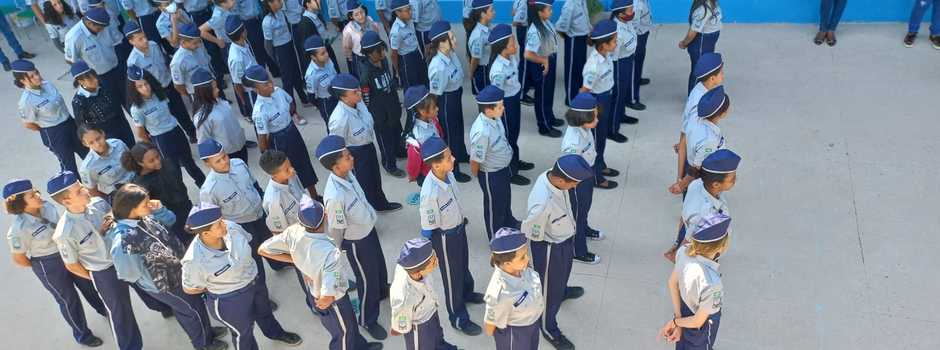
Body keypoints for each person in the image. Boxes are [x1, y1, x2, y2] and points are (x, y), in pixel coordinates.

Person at [48, 171, 172, 350]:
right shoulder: (64, 232)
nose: (85, 189)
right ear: (66, 201)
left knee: (148, 286)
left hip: (124, 256)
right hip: (103, 271)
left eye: (81, 185)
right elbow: (72, 265)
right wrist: (97, 278)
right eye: (78, 191)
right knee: (120, 313)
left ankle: (164, 307)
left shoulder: (98, 204)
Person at [108, 184, 229, 350]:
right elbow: (129, 273)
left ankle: (206, 331)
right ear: (131, 209)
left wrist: (159, 210)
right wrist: (154, 279)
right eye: (145, 204)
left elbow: (171, 220)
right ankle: (204, 344)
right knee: (190, 310)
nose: (149, 205)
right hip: (165, 284)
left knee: (194, 306)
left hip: (179, 271)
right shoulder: (123, 240)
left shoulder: (144, 217)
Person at [258, 198, 384, 350]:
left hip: (315, 291)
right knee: (344, 334)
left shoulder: (293, 232)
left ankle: (359, 346)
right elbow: (328, 293)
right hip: (334, 300)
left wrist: (296, 261)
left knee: (348, 327)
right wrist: (326, 298)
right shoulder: (330, 252)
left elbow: (263, 249)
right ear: (325, 216)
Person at [181, 203, 304, 349]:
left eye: (222, 219)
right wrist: (221, 287)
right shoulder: (194, 260)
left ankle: (275, 333)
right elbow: (190, 289)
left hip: (254, 282)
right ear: (206, 233)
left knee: (265, 313)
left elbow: (248, 241)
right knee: (243, 333)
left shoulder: (232, 227)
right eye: (219, 224)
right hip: (230, 300)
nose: (224, 224)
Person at [3, 179, 106, 347]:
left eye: (36, 191)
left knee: (89, 284)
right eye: (32, 195)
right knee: (68, 300)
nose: (38, 195)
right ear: (21, 203)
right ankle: (83, 335)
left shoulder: (48, 207)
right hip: (48, 265)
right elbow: (19, 259)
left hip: (67, 253)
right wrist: (42, 267)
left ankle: (104, 309)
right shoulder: (18, 230)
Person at [315, 135, 391, 340]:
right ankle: (367, 318)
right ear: (335, 165)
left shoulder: (348, 174)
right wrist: (337, 251)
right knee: (366, 279)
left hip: (367, 229)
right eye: (347, 156)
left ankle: (383, 290)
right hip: (356, 241)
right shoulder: (334, 196)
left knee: (379, 265)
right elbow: (337, 230)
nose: (352, 158)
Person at [521, 154, 593, 350]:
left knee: (562, 277)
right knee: (548, 289)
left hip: (564, 239)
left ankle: (560, 291)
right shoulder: (541, 204)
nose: (575, 187)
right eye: (574, 184)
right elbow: (533, 235)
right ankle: (548, 327)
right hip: (550, 249)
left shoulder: (552, 177)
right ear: (562, 180)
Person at [417, 136, 485, 336]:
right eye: (448, 158)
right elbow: (428, 228)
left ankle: (467, 292)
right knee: (451, 276)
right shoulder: (430, 193)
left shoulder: (448, 174)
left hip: (459, 229)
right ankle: (458, 317)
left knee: (463, 265)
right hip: (445, 238)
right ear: (436, 165)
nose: (453, 159)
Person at [197, 139, 288, 273]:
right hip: (242, 225)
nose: (224, 162)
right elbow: (214, 218)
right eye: (218, 161)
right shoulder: (209, 190)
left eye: (224, 156)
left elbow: (254, 185)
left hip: (260, 213)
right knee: (252, 256)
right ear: (207, 163)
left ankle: (278, 264)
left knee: (271, 241)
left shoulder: (239, 164)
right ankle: (260, 283)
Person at [328, 73, 403, 212]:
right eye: (354, 92)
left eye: (358, 88)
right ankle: (367, 211)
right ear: (343, 97)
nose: (360, 93)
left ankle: (381, 203)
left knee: (375, 178)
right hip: (355, 153)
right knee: (363, 184)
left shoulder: (359, 102)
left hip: (368, 145)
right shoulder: (339, 119)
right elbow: (337, 144)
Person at [244, 65, 320, 198]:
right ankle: (301, 201)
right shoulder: (260, 111)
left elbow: (291, 104)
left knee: (304, 164)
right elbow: (262, 141)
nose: (270, 85)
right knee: (288, 172)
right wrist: (270, 156)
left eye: (269, 81)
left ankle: (314, 196)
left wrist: (290, 116)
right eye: (265, 84)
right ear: (256, 89)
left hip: (292, 132)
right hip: (279, 141)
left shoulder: (278, 91)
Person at [258, 149, 319, 313]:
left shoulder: (291, 176)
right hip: (299, 244)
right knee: (309, 278)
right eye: (286, 169)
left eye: (290, 165)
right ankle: (315, 304)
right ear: (274, 175)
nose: (292, 170)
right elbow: (279, 234)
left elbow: (304, 197)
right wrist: (296, 258)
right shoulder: (273, 201)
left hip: (313, 231)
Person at [658, 213, 730, 350]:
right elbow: (698, 321)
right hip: (701, 327)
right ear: (720, 248)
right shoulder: (713, 285)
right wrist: (675, 322)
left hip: (684, 309)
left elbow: (672, 283)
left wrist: (678, 321)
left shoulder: (684, 252)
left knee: (682, 344)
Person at [127, 65, 206, 187]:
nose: (145, 88)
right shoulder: (137, 108)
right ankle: (183, 198)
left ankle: (204, 185)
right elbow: (141, 133)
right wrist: (153, 146)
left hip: (175, 130)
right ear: (134, 89)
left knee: (189, 162)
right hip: (161, 139)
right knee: (174, 170)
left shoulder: (160, 94)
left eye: (146, 84)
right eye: (140, 86)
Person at [470, 85, 527, 241]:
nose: (503, 108)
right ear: (488, 110)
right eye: (500, 106)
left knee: (505, 199)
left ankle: (509, 222)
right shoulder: (482, 132)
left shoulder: (495, 118)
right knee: (494, 207)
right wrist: (480, 177)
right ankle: (496, 239)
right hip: (491, 174)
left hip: (502, 169)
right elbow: (475, 161)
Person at [13, 60, 88, 177]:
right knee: (69, 167)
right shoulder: (26, 101)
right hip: (54, 133)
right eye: (32, 76)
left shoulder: (47, 85)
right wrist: (45, 128)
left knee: (88, 153)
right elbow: (28, 124)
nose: (37, 77)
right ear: (22, 81)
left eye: (36, 73)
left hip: (70, 123)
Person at [125, 22, 198, 142]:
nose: (145, 40)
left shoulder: (153, 45)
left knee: (181, 111)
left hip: (168, 83)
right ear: (131, 42)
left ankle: (192, 133)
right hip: (156, 92)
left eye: (145, 37)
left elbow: (164, 61)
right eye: (140, 39)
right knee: (164, 116)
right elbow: (138, 82)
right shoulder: (133, 61)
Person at [665, 149, 738, 263]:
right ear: (716, 184)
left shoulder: (697, 184)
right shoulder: (704, 215)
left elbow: (684, 217)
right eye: (732, 179)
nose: (735, 180)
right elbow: (689, 241)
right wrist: (679, 257)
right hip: (706, 252)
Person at [562, 93, 609, 265]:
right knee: (577, 214)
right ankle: (578, 250)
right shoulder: (572, 142)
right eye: (594, 117)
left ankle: (585, 228)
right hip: (577, 180)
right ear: (582, 117)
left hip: (586, 173)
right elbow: (571, 168)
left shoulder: (584, 128)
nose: (597, 120)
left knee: (585, 208)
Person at [390, 237, 459, 349]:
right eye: (433, 262)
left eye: (434, 256)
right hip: (420, 327)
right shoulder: (405, 296)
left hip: (431, 311)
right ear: (417, 274)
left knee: (437, 335)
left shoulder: (413, 266)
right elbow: (400, 325)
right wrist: (400, 325)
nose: (437, 261)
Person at [122, 141, 195, 244]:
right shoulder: (141, 186)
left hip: (186, 207)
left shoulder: (167, 163)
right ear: (140, 163)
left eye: (157, 156)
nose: (157, 161)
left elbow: (179, 183)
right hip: (170, 219)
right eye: (151, 161)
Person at [483, 227, 544, 350]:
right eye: (522, 257)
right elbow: (490, 327)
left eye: (526, 254)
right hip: (515, 335)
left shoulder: (522, 268)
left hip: (532, 325)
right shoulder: (500, 292)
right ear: (507, 264)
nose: (527, 259)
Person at [488, 23, 535, 179]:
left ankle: (514, 160)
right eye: (512, 43)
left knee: (514, 134)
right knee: (507, 136)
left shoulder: (511, 57)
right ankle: (510, 171)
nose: (515, 45)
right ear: (503, 47)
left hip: (514, 100)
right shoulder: (498, 70)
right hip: (505, 105)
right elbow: (496, 95)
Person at [674, 53, 723, 196]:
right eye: (722, 73)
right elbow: (685, 137)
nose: (723, 76)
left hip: (697, 152)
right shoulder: (699, 105)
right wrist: (680, 179)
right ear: (712, 78)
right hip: (697, 161)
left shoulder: (702, 89)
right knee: (694, 196)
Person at [359, 31, 406, 178]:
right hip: (380, 115)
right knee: (386, 141)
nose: (382, 53)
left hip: (392, 107)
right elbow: (366, 98)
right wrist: (373, 115)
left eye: (382, 48)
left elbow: (389, 80)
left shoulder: (384, 61)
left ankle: (399, 151)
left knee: (397, 133)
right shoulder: (366, 73)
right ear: (369, 54)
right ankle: (389, 164)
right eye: (378, 51)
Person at [402, 85, 471, 184]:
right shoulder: (418, 138)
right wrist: (413, 175)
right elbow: (413, 162)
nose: (438, 109)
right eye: (434, 107)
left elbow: (440, 135)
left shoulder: (433, 120)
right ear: (422, 111)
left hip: (440, 169)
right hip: (428, 176)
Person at [669, 86, 729, 195]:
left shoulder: (695, 117)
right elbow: (695, 170)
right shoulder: (709, 140)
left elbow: (684, 140)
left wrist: (679, 178)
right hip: (703, 179)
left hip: (691, 164)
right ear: (723, 113)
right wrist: (681, 185)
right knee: (698, 205)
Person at [581, 20, 621, 186]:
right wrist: (588, 114)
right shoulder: (593, 66)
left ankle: (601, 164)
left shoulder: (606, 55)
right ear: (604, 45)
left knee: (602, 136)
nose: (616, 42)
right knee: (596, 140)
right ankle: (596, 176)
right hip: (597, 102)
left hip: (606, 97)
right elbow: (584, 91)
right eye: (614, 41)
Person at [427, 21, 471, 164]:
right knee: (450, 134)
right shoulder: (438, 66)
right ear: (441, 44)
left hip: (455, 95)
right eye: (451, 38)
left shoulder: (450, 54)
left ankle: (461, 155)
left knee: (458, 128)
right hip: (445, 101)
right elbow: (435, 94)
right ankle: (454, 167)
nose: (455, 40)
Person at [64, 8, 126, 106]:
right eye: (99, 28)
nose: (102, 30)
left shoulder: (105, 25)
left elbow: (117, 42)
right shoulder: (73, 37)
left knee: (128, 99)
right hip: (99, 77)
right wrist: (88, 78)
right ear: (89, 23)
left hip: (116, 67)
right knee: (113, 105)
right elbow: (71, 61)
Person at [70, 60, 136, 147]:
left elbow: (117, 105)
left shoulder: (104, 85)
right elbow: (82, 126)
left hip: (121, 123)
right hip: (104, 133)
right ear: (81, 82)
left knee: (132, 146)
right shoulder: (78, 101)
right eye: (90, 79)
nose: (95, 80)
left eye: (95, 76)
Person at [192, 68, 250, 163]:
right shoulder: (201, 117)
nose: (218, 90)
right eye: (214, 88)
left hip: (240, 145)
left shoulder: (219, 101)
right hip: (228, 153)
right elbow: (204, 142)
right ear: (205, 92)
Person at [262, 0, 312, 110]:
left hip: (289, 46)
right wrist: (275, 58)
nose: (281, 2)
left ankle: (304, 99)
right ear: (270, 3)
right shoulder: (267, 21)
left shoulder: (281, 13)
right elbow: (268, 45)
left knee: (296, 75)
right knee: (288, 81)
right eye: (278, 1)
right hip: (280, 51)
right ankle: (292, 110)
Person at [525, 0, 564, 138]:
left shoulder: (545, 22)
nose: (551, 11)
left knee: (548, 91)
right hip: (541, 64)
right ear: (540, 12)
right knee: (541, 95)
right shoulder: (535, 30)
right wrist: (544, 61)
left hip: (549, 59)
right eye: (549, 9)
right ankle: (544, 126)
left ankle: (549, 116)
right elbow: (528, 54)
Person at [78, 125, 136, 199]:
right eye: (91, 143)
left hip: (136, 179)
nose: (97, 144)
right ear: (85, 144)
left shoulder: (118, 143)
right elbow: (92, 191)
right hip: (119, 194)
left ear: (102, 133)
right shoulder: (87, 167)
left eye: (98, 138)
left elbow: (133, 162)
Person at [610, 0, 640, 141]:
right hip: (619, 64)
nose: (632, 11)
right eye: (630, 9)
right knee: (617, 95)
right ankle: (612, 129)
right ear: (621, 14)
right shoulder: (617, 30)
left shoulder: (626, 22)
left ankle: (621, 115)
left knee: (624, 92)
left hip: (627, 60)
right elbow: (612, 56)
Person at [679, 0, 721, 92]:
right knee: (698, 72)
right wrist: (684, 43)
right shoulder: (702, 10)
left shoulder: (713, 3)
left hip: (708, 45)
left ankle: (701, 94)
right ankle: (692, 100)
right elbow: (692, 33)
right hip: (701, 45)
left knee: (705, 69)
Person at [225, 16, 261, 118]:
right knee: (258, 118)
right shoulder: (236, 58)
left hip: (258, 86)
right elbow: (238, 85)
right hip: (251, 93)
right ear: (242, 33)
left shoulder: (244, 42)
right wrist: (244, 102)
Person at [556, 0, 590, 108]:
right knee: (572, 71)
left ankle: (579, 95)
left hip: (582, 38)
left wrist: (588, 31)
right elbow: (561, 27)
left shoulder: (582, 1)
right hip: (574, 39)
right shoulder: (569, 5)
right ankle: (571, 99)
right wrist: (569, 37)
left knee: (580, 68)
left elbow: (586, 18)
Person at [171, 23, 216, 100]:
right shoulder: (178, 61)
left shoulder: (199, 46)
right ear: (183, 42)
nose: (198, 45)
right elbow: (178, 85)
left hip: (212, 86)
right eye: (195, 43)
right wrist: (191, 95)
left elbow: (208, 64)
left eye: (199, 41)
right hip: (198, 95)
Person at [389, 0, 426, 89]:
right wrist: (397, 70)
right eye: (407, 10)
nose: (410, 12)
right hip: (407, 60)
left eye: (410, 9)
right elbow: (394, 54)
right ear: (398, 13)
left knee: (422, 82)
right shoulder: (396, 32)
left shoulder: (409, 21)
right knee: (411, 87)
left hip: (417, 54)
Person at [342, 0, 384, 77]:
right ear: (351, 16)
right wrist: (352, 60)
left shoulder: (370, 20)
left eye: (362, 12)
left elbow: (376, 34)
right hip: (361, 58)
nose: (361, 16)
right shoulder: (348, 30)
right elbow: (347, 47)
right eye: (356, 14)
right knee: (365, 79)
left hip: (374, 54)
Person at [303, 35, 339, 125]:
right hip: (327, 102)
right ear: (313, 57)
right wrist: (320, 106)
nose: (326, 54)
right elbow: (311, 96)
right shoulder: (311, 74)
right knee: (332, 125)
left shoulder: (328, 60)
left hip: (337, 95)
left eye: (326, 51)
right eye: (322, 53)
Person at [297, 0, 340, 71]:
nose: (319, 1)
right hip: (321, 57)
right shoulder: (305, 23)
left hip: (326, 49)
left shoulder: (317, 15)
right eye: (315, 0)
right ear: (308, 4)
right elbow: (309, 49)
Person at [467, 0, 494, 95]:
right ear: (483, 14)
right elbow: (475, 59)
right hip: (482, 72)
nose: (494, 12)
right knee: (485, 99)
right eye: (492, 10)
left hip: (488, 68)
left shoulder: (487, 27)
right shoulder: (478, 35)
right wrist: (471, 73)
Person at [510, 0, 535, 105]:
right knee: (525, 62)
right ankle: (521, 94)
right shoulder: (524, 3)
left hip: (524, 30)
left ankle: (528, 82)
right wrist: (523, 20)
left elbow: (513, 12)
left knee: (527, 59)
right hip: (525, 30)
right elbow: (515, 21)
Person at [632, 0, 653, 100]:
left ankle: (638, 77)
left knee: (640, 58)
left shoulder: (643, 1)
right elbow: (633, 25)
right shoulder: (637, 5)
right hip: (638, 36)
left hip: (643, 32)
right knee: (636, 60)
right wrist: (639, 34)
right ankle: (633, 97)